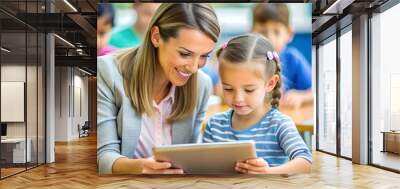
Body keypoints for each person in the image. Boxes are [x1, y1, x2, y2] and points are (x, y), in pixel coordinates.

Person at [97, 3, 220, 174]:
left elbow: (191, 154)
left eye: (204, 56)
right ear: (156, 37)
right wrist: (141, 167)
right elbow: (103, 157)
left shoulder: (201, 85)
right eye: (185, 54)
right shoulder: (108, 72)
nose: (194, 68)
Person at [203, 33, 312, 174]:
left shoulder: (279, 124)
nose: (238, 98)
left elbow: (306, 162)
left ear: (270, 83)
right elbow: (204, 166)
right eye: (228, 88)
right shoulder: (215, 125)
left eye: (249, 90)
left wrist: (269, 172)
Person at [252, 3, 313, 108]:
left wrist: (301, 97)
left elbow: (315, 91)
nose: (269, 38)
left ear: (289, 33)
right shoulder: (248, 59)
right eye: (263, 32)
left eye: (276, 32)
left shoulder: (292, 58)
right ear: (252, 32)